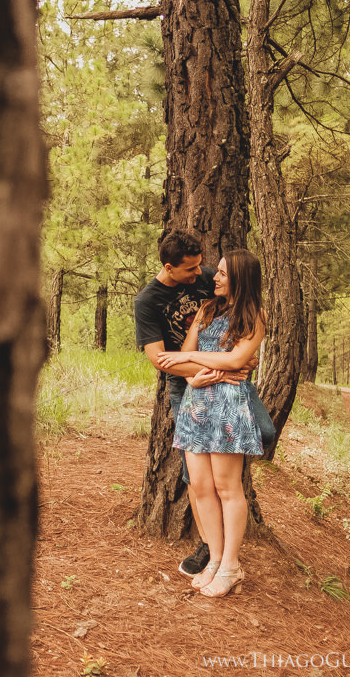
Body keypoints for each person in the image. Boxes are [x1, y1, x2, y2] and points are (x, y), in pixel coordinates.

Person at [134, 231, 254, 577]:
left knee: (239, 456)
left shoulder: (209, 278)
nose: (201, 273)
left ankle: (227, 555)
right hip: (186, 384)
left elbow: (242, 336)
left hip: (229, 383)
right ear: (169, 267)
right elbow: (161, 359)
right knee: (195, 475)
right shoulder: (148, 301)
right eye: (191, 269)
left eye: (203, 266)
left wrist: (242, 361)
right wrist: (204, 372)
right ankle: (209, 546)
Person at [157, 249, 266, 597]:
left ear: (240, 279)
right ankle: (215, 560)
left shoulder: (254, 316)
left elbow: (236, 359)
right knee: (202, 486)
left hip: (228, 406)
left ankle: (232, 566)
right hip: (197, 404)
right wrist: (193, 376)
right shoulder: (206, 310)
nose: (214, 278)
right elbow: (182, 361)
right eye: (216, 272)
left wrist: (192, 357)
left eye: (222, 273)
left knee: (227, 487)